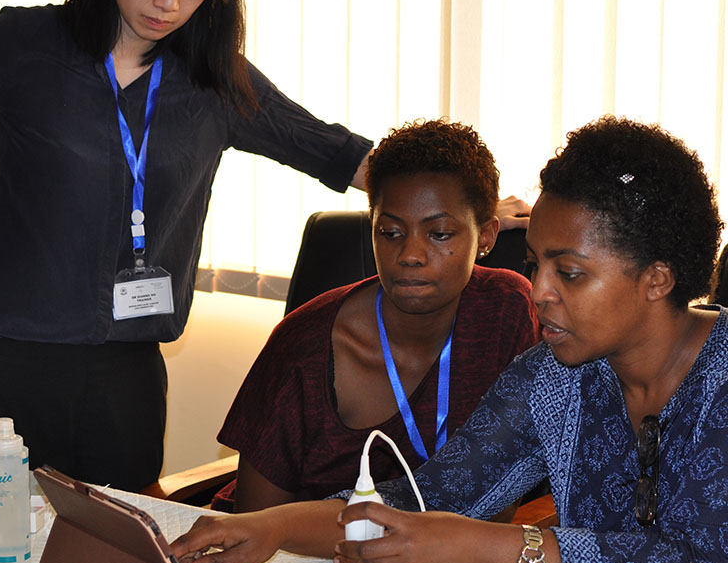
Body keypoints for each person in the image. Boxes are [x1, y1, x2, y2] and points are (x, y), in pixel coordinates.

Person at [0, 0, 527, 492]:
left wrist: (477, 200)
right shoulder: (22, 47)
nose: (168, 1)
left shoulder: (213, 81)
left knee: (121, 557)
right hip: (11, 361)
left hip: (125, 372)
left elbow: (336, 153)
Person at [170, 117, 728, 563]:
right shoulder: (554, 378)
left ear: (657, 279)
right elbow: (419, 504)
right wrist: (266, 527)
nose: (539, 292)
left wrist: (476, 548)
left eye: (570, 272)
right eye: (538, 265)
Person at [216, 119, 540, 512]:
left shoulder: (507, 311)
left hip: (449, 562)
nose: (410, 255)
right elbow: (255, 525)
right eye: (390, 232)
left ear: (485, 236)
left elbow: (503, 493)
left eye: (439, 234)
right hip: (307, 560)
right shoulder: (304, 348)